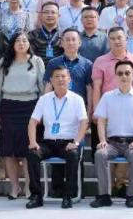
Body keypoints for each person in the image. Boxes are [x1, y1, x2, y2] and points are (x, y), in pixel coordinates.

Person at [90, 58, 133, 208]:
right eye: (120, 73)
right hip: (112, 143)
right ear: (115, 76)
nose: (124, 76)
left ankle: (130, 196)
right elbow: (101, 121)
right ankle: (104, 196)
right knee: (100, 154)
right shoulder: (107, 96)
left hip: (132, 142)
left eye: (127, 73)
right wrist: (102, 140)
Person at [26, 65, 89, 209]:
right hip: (48, 142)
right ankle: (36, 196)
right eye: (57, 76)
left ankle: (68, 196)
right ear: (51, 81)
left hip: (68, 142)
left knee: (73, 155)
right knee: (32, 153)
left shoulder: (77, 99)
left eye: (63, 76)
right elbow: (32, 121)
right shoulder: (44, 99)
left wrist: (76, 142)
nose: (60, 79)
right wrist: (33, 142)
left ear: (69, 79)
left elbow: (84, 122)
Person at [0, 31, 46, 200]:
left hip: (30, 107)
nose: (21, 43)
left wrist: (42, 111)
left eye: (24, 40)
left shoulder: (37, 61)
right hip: (9, 107)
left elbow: (42, 87)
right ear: (12, 44)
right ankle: (14, 187)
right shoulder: (5, 62)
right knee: (9, 150)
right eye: (17, 41)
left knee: (27, 150)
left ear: (29, 44)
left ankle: (29, 186)